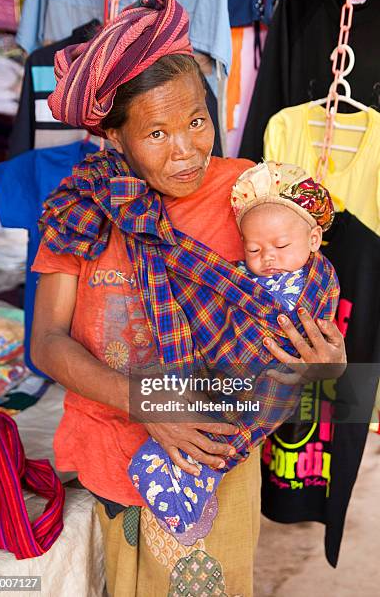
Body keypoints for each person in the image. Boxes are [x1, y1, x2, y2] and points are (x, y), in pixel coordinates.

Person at [31, 0, 346, 596]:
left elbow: (296, 306)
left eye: (197, 120)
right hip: (110, 446)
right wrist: (149, 401)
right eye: (156, 132)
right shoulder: (80, 210)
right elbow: (46, 343)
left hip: (215, 447)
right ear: (115, 137)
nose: (186, 150)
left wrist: (325, 363)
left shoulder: (248, 194)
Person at [128, 160, 339, 534]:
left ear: (313, 241)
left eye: (281, 245)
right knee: (196, 417)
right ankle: (183, 476)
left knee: (215, 438)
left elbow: (319, 342)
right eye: (253, 249)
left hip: (266, 386)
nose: (267, 257)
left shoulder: (319, 282)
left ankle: (195, 478)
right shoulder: (239, 279)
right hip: (220, 375)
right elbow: (213, 294)